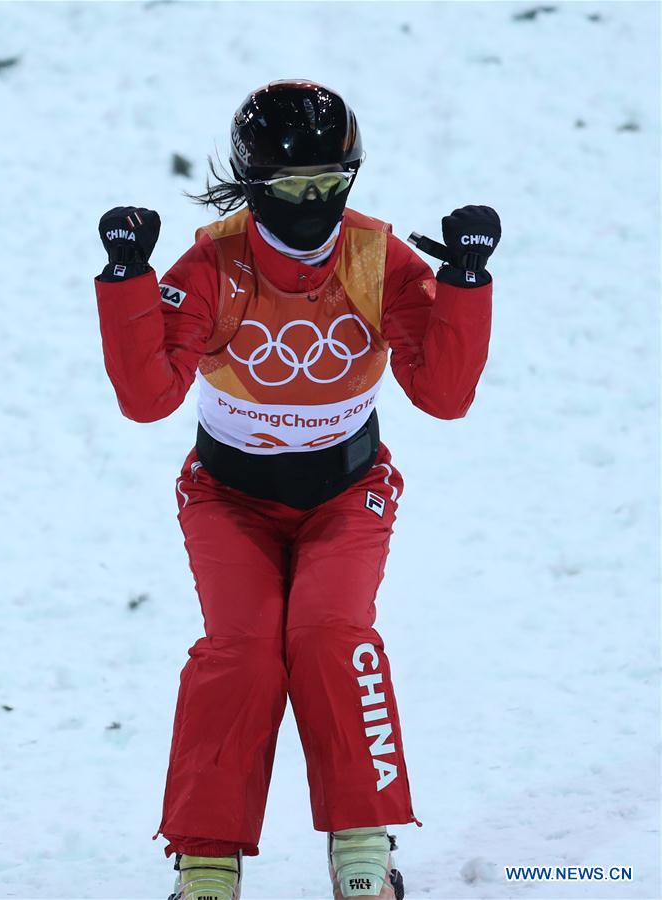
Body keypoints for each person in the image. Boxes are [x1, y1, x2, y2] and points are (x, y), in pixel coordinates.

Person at [94, 79, 500, 900]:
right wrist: (128, 279)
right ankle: (205, 860)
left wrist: (461, 286)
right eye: (289, 189)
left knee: (329, 631)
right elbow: (147, 401)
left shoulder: (375, 257)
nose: (311, 204)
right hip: (229, 497)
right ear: (252, 184)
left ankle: (362, 845)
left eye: (329, 184)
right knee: (241, 648)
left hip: (346, 495)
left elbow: (444, 396)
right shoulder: (213, 262)